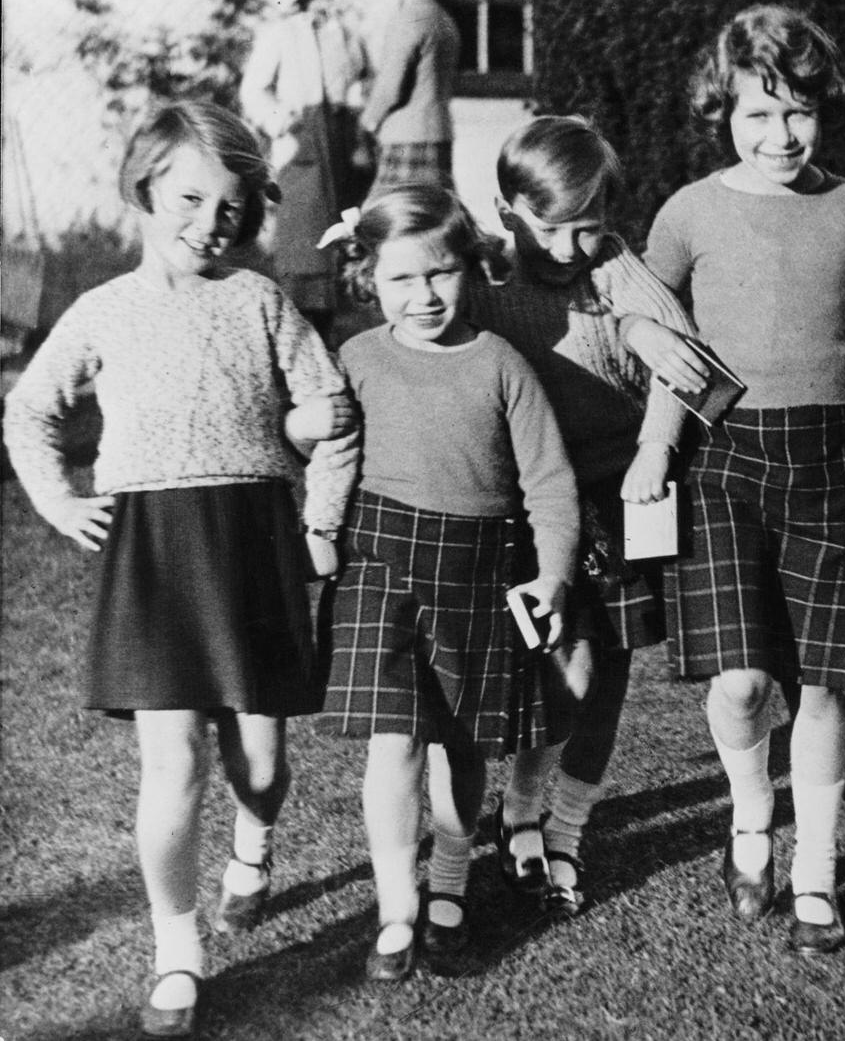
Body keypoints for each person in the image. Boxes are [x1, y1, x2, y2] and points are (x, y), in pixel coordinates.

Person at [3, 100, 355, 1039]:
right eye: (190, 200)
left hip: (254, 540)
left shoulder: (262, 301)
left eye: (232, 210)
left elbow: (333, 407)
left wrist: (319, 522)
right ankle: (177, 948)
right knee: (172, 760)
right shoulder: (100, 310)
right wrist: (59, 499)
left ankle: (254, 844)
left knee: (262, 762)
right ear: (145, 191)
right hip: (153, 554)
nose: (210, 224)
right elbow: (27, 411)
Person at [643, 4, 845, 955]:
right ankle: (751, 822)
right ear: (724, 112)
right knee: (742, 683)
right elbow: (654, 334)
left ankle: (817, 873)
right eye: (757, 115)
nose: (780, 136)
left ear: (824, 109)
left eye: (798, 112)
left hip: (835, 461)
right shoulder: (687, 213)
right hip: (724, 463)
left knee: (828, 684)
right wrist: (651, 448)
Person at [310, 184, 578, 980]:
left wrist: (554, 575)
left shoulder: (502, 365)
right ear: (369, 281)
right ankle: (396, 908)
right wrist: (317, 529)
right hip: (381, 563)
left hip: (477, 564)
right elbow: (329, 456)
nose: (422, 296)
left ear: (469, 269)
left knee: (460, 744)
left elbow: (550, 484)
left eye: (439, 275)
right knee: (394, 739)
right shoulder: (356, 357)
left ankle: (451, 881)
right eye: (400, 279)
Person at [471, 114, 703, 916]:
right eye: (553, 230)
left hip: (620, 494)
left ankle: (562, 827)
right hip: (532, 501)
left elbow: (683, 357)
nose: (571, 249)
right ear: (507, 211)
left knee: (606, 674)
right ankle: (517, 807)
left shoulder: (612, 267)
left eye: (589, 228)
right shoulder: (486, 278)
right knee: (553, 667)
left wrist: (655, 448)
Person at [240, 0, 370, 332]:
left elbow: (361, 76)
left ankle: (340, 325)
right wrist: (281, 121)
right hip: (300, 144)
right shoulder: (281, 34)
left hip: (339, 139)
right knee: (304, 233)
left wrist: (357, 120)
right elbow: (254, 91)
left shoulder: (343, 31)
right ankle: (300, 323)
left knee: (343, 230)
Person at [360, 0, 461, 198]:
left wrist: (367, 121)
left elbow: (390, 88)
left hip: (406, 137)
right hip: (439, 132)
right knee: (433, 215)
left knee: (390, 217)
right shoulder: (444, 19)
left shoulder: (409, 17)